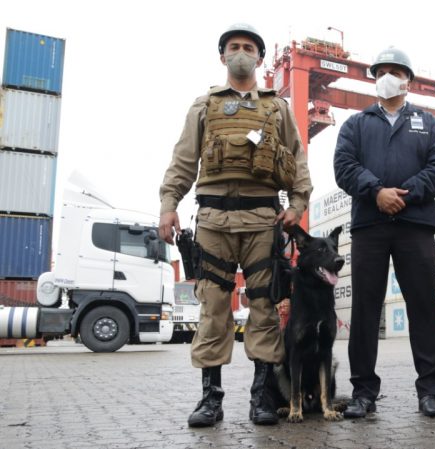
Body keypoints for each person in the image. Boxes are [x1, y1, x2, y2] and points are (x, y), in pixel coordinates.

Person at [158, 23, 312, 428]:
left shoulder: (276, 107)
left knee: (263, 308)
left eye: (248, 47)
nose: (241, 52)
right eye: (234, 47)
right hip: (213, 221)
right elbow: (182, 161)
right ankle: (211, 399)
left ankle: (261, 397)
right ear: (222, 56)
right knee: (212, 310)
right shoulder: (203, 106)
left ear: (260, 59)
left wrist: (298, 203)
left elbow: (296, 162)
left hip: (263, 219)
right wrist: (168, 206)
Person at [333, 47, 435, 418]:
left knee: (425, 308)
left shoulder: (428, 123)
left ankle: (430, 391)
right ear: (374, 77)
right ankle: (363, 392)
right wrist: (376, 192)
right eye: (381, 70)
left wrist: (406, 194)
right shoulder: (356, 124)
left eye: (394, 70)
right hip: (370, 226)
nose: (387, 76)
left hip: (414, 225)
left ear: (407, 79)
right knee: (366, 310)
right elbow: (344, 166)